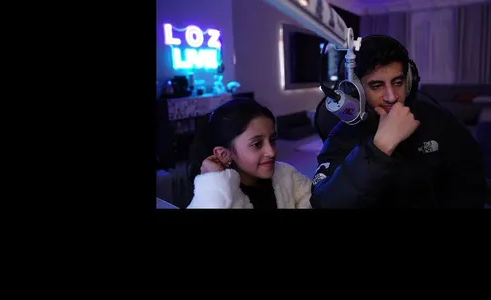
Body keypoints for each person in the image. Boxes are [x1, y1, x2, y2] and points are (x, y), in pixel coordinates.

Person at [311, 34, 486, 208]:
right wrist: (378, 149)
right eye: (377, 86)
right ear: (355, 91)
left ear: (409, 81)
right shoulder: (341, 137)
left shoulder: (436, 118)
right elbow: (324, 203)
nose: (392, 97)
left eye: (398, 82)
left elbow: (471, 176)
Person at [186, 98, 314, 209]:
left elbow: (312, 199)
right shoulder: (217, 195)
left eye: (272, 140)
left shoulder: (286, 175)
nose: (271, 152)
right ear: (224, 154)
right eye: (257, 144)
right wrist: (213, 181)